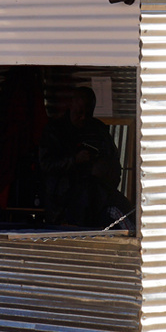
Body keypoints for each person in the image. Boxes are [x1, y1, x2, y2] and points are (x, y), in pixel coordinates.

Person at [38, 87, 128, 227]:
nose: (83, 117)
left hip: (97, 199)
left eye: (88, 113)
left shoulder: (98, 130)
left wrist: (103, 170)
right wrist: (74, 160)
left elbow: (114, 162)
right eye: (79, 113)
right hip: (63, 204)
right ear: (71, 105)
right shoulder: (54, 131)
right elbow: (46, 164)